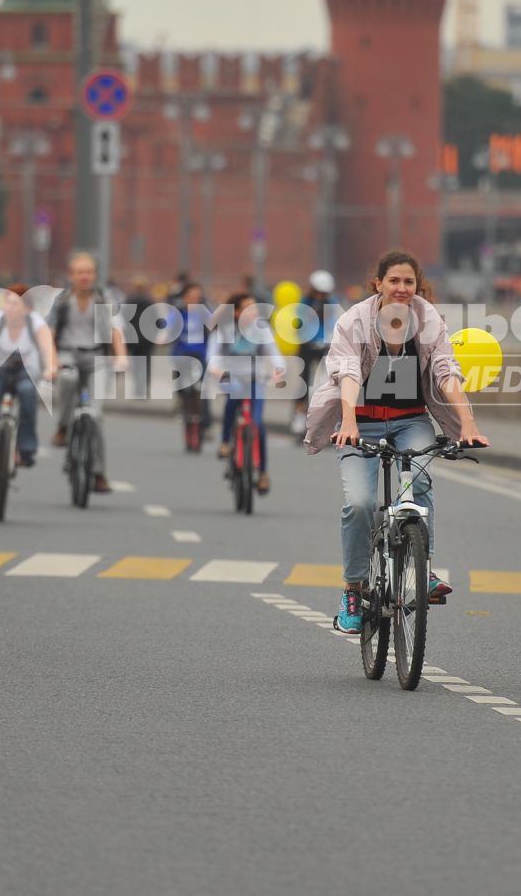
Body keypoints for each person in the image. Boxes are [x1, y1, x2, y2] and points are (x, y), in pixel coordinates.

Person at [304, 250, 490, 634]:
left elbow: (445, 370)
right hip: (363, 424)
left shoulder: (428, 320)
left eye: (409, 282)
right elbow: (348, 371)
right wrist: (350, 421)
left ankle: (423, 570)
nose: (402, 288)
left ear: (416, 286)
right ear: (379, 285)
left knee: (419, 483)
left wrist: (468, 423)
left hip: (410, 421)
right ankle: (353, 590)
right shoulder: (355, 320)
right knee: (360, 503)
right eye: (394, 281)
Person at [46, 252, 130, 496]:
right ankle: (63, 427)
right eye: (80, 272)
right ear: (71, 275)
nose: (85, 276)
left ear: (95, 275)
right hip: (67, 354)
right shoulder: (61, 301)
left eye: (89, 272)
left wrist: (121, 357)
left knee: (95, 415)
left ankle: (98, 472)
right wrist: (51, 362)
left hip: (96, 357)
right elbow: (49, 334)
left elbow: (115, 332)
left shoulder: (103, 299)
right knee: (68, 378)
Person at [0, 284, 58, 495]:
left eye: (15, 303)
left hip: (25, 373)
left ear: (27, 308)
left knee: (27, 392)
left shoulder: (36, 324)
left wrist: (52, 367)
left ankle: (26, 448)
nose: (10, 307)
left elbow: (47, 346)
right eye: (7, 302)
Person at [209, 292, 287, 495]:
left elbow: (276, 355)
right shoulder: (223, 331)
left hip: (255, 379)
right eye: (248, 308)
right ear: (236, 312)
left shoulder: (262, 330)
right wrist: (217, 371)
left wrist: (278, 371)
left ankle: (262, 473)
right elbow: (212, 359)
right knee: (234, 396)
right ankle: (226, 442)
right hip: (229, 376)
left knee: (258, 424)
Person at [291, 269, 336, 437]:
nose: (321, 296)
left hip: (325, 345)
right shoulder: (305, 303)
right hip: (307, 344)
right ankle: (299, 413)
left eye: (324, 293)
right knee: (304, 379)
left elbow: (335, 323)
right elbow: (298, 323)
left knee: (328, 381)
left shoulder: (331, 303)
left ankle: (328, 418)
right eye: (318, 292)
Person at [170, 280, 213, 445]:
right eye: (191, 297)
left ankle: (206, 425)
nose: (194, 300)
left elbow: (214, 325)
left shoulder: (204, 313)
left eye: (197, 297)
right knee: (181, 384)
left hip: (201, 355)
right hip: (182, 355)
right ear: (185, 298)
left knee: (204, 389)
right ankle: (182, 404)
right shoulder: (178, 313)